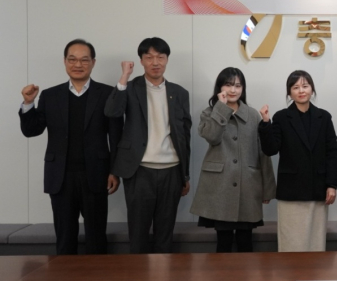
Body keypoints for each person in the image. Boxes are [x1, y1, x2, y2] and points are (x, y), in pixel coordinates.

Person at [19, 39, 122, 255]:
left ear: (93, 62)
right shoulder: (50, 95)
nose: (78, 64)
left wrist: (114, 171)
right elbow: (31, 130)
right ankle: (64, 276)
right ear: (65, 62)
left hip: (96, 175)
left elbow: (116, 136)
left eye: (84, 60)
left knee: (96, 237)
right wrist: (28, 103)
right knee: (65, 238)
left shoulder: (107, 94)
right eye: (72, 59)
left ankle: (97, 276)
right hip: (60, 177)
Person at [105, 37, 192, 254]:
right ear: (141, 61)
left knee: (165, 234)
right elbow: (112, 112)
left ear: (167, 60)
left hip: (171, 171)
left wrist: (185, 175)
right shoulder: (130, 88)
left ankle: (163, 275)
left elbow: (184, 135)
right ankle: (138, 274)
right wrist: (124, 77)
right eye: (149, 57)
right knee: (138, 233)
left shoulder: (179, 93)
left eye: (160, 57)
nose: (155, 62)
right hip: (139, 171)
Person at [190, 67, 276, 253]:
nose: (233, 90)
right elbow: (212, 137)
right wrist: (221, 109)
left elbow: (263, 153)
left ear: (243, 89)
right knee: (223, 242)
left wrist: (268, 188)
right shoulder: (209, 112)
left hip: (248, 186)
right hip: (220, 187)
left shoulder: (253, 115)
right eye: (228, 85)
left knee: (246, 242)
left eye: (238, 85)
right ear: (220, 87)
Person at [260, 70, 337, 252]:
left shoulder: (324, 117)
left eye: (305, 86)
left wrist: (332, 185)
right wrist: (265, 123)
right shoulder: (281, 117)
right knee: (291, 243)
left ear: (312, 89)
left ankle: (314, 272)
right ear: (289, 92)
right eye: (295, 87)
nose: (301, 90)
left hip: (318, 188)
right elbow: (271, 149)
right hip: (291, 191)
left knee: (315, 242)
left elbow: (332, 152)